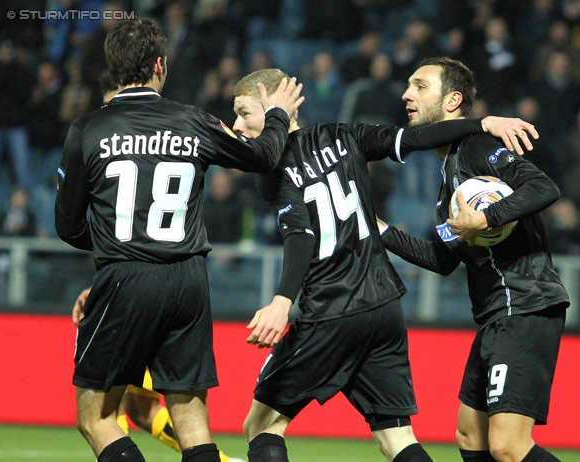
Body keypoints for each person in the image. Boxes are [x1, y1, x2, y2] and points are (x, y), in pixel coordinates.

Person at [230, 68, 538, 462]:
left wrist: (281, 300)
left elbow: (301, 236)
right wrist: (481, 123)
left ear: (277, 109)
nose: (238, 125)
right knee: (396, 438)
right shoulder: (344, 135)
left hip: (331, 309)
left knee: (260, 426)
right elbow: (415, 138)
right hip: (384, 309)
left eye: (245, 113)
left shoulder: (271, 174)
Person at [55, 18, 303, 462]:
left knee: (97, 418)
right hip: (189, 279)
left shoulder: (88, 130)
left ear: (114, 69)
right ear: (159, 65)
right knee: (191, 421)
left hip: (126, 276)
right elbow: (264, 155)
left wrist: (116, 248)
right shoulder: (193, 121)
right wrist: (279, 113)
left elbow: (67, 225)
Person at [376, 57, 569, 462]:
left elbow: (543, 187)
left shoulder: (479, 147)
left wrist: (486, 217)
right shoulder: (447, 188)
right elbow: (443, 258)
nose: (406, 94)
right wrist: (380, 231)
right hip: (496, 316)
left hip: (526, 304)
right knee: (470, 436)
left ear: (453, 101)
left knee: (508, 446)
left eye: (420, 86)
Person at [72, 288, 246, 462]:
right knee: (144, 409)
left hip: (132, 295)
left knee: (103, 413)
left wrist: (102, 286)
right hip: (182, 296)